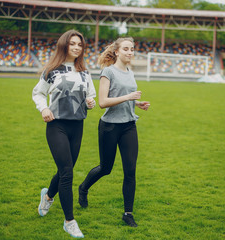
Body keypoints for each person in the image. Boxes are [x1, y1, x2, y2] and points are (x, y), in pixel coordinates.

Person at [78, 37, 150, 227]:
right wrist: (129, 97)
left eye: (132, 49)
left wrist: (137, 103)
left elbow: (123, 97)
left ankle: (128, 213)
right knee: (106, 168)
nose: (130, 52)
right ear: (117, 52)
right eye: (126, 49)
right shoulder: (108, 72)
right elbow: (103, 102)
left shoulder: (130, 72)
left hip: (128, 126)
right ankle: (83, 188)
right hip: (109, 127)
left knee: (130, 170)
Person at [32, 30, 96, 238]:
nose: (77, 47)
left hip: (77, 126)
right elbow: (38, 93)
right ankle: (69, 221)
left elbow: (91, 96)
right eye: (72, 44)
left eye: (80, 44)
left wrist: (90, 102)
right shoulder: (51, 70)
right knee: (67, 174)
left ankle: (48, 196)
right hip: (56, 126)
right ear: (64, 46)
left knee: (64, 170)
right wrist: (44, 108)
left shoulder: (85, 72)